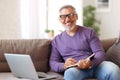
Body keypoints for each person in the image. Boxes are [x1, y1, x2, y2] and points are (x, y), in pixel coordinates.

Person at [49, 5, 120, 80]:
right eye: (63, 16)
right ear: (59, 19)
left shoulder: (89, 32)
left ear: (76, 16)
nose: (67, 19)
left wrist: (90, 63)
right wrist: (64, 65)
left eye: (71, 15)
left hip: (96, 66)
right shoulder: (57, 40)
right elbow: (53, 62)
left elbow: (100, 53)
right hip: (75, 70)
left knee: (114, 70)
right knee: (69, 73)